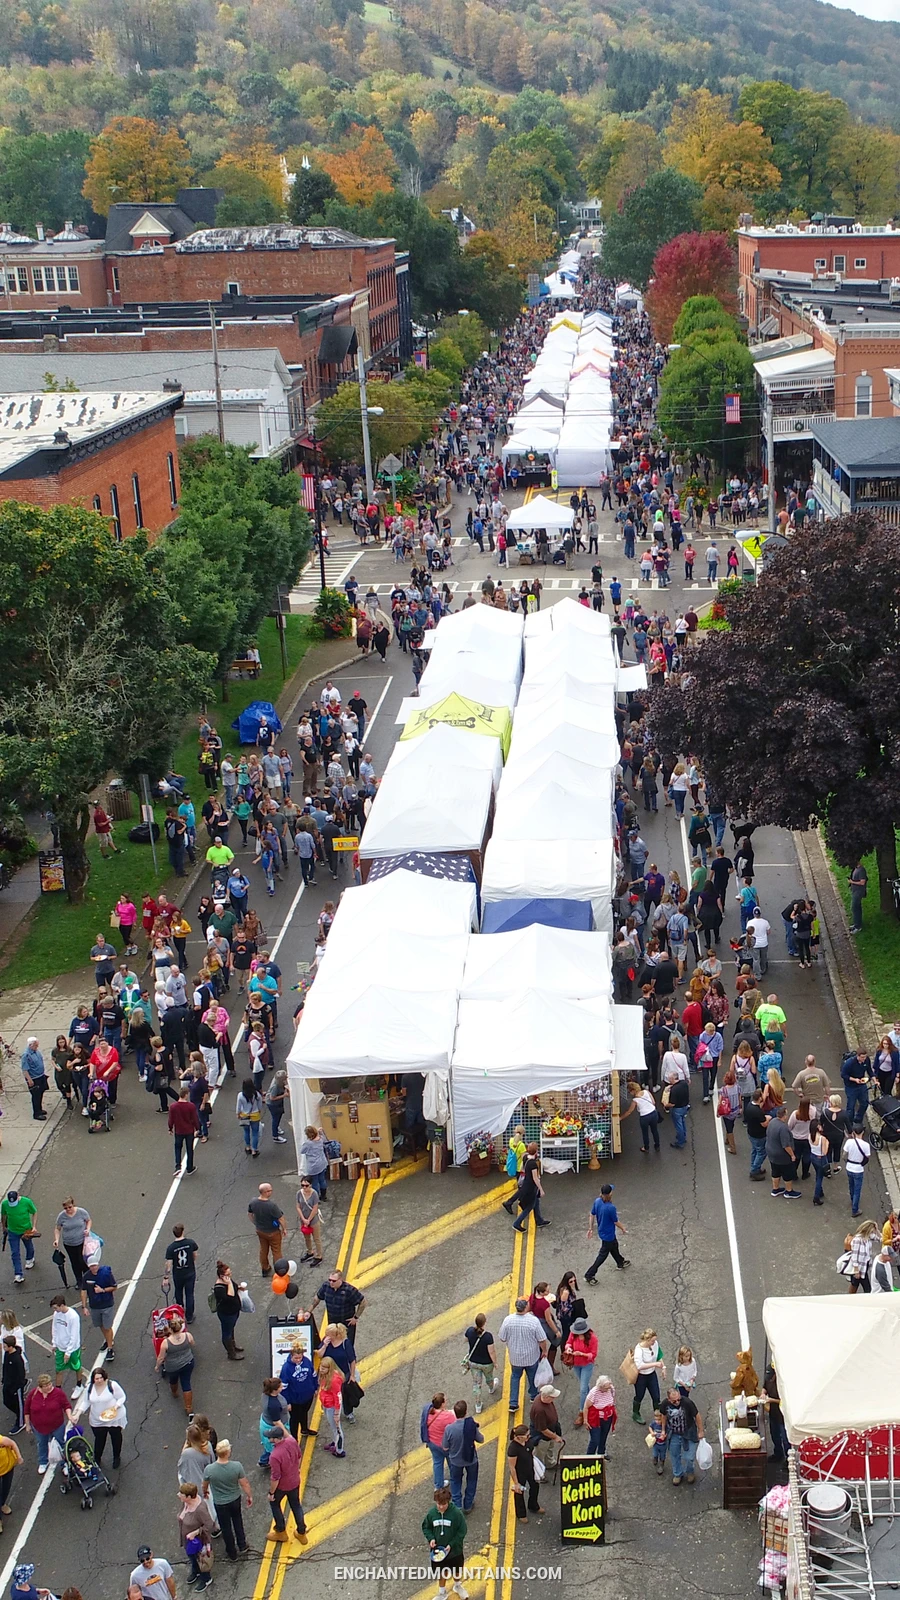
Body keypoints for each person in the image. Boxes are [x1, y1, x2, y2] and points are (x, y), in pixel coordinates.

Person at [203, 1440, 252, 1560]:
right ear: (228, 1452)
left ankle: (231, 1552)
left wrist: (205, 1491)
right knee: (237, 1521)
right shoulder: (236, 1466)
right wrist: (249, 1495)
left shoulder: (209, 1469)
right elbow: (244, 1483)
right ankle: (242, 1545)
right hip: (234, 1499)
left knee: (226, 1527)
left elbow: (204, 1484)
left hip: (220, 1503)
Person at [498, 1298, 547, 1411]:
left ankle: (513, 1403)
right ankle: (534, 1396)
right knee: (532, 1377)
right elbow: (542, 1339)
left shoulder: (508, 1320)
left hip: (515, 1357)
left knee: (515, 1377)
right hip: (531, 1356)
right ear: (526, 1307)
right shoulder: (533, 1321)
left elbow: (502, 1337)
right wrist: (544, 1351)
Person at [422, 1486, 468, 1597]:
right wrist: (431, 1538)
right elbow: (426, 1527)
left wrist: (452, 1544)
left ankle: (457, 1585)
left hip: (455, 1551)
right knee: (441, 1573)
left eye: (444, 1504)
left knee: (457, 1571)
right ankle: (442, 1592)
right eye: (439, 1504)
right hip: (438, 1552)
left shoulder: (456, 1514)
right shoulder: (431, 1514)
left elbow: (462, 1531)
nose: (441, 1507)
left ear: (448, 1502)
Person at [267, 1425, 308, 1544]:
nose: (269, 1439)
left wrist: (271, 1493)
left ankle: (281, 1531)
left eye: (270, 1437)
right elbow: (299, 1457)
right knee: (296, 1505)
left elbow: (275, 1477)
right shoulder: (292, 1441)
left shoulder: (274, 1456)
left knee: (274, 1503)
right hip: (295, 1481)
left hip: (282, 1486)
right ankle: (301, 1532)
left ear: (275, 1439)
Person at [24, 1372, 72, 1472]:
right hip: (39, 1427)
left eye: (50, 1384)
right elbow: (27, 1410)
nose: (49, 1387)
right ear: (40, 1387)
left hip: (57, 1426)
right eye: (45, 1385)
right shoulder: (33, 1394)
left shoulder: (58, 1393)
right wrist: (27, 1424)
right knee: (42, 1444)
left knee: (61, 1444)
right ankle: (43, 1462)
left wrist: (70, 1416)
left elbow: (66, 1405)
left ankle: (65, 1464)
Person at [659, 1385, 705, 1485]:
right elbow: (663, 1415)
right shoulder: (665, 1404)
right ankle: (677, 1473)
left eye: (678, 1399)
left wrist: (700, 1430)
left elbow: (697, 1415)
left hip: (688, 1431)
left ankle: (690, 1472)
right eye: (674, 1401)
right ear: (669, 1399)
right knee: (674, 1454)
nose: (677, 1402)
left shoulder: (687, 1402)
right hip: (674, 1433)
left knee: (689, 1457)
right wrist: (663, 1430)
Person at [443, 1400, 482, 1513]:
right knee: (472, 1480)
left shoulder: (449, 1429)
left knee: (455, 1481)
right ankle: (468, 1504)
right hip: (471, 1459)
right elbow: (481, 1439)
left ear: (454, 1413)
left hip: (455, 1461)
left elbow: (445, 1447)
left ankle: (457, 1505)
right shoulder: (471, 1426)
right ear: (466, 1412)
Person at [585, 1182, 630, 1278]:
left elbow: (592, 1214)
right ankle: (589, 1275)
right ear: (610, 1194)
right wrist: (623, 1228)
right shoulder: (610, 1208)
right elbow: (615, 1221)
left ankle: (620, 1262)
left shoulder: (597, 1201)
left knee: (614, 1246)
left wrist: (590, 1228)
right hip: (608, 1235)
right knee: (602, 1256)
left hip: (603, 1232)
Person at [177, 1482, 216, 1589]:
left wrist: (196, 1532)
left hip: (199, 1542)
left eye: (181, 1494)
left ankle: (206, 1578)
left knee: (202, 1560)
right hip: (189, 1541)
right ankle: (196, 1571)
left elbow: (210, 1524)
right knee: (192, 1557)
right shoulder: (186, 1503)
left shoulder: (200, 1509)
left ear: (189, 1497)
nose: (178, 1495)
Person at [309, 1270, 365, 1344]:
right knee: (332, 1342)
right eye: (330, 1280)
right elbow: (317, 1298)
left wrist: (355, 1317)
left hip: (346, 1323)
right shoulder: (326, 1286)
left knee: (347, 1344)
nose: (331, 1282)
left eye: (334, 1281)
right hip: (332, 1322)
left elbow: (362, 1302)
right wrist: (309, 1311)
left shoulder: (349, 1290)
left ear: (340, 1280)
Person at [155, 1314, 195, 1417]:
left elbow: (161, 1357)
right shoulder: (188, 1335)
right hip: (188, 1362)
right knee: (186, 1383)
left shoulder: (166, 1342)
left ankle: (174, 1392)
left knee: (173, 1380)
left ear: (170, 1329)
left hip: (173, 1366)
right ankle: (188, 1407)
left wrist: (157, 1366)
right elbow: (192, 1344)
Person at [87, 1365, 126, 1468]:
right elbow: (86, 1401)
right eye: (96, 1378)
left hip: (114, 1418)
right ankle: (97, 1458)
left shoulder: (112, 1385)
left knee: (116, 1438)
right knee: (99, 1439)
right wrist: (78, 1413)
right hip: (97, 1419)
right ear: (93, 1379)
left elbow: (122, 1397)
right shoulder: (90, 1387)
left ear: (104, 1377)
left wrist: (115, 1407)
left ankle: (116, 1457)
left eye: (100, 1378)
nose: (99, 1380)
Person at [80, 1254, 117, 1358]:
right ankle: (108, 1339)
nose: (94, 1268)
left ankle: (110, 1348)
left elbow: (114, 1287)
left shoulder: (106, 1273)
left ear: (98, 1265)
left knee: (107, 1326)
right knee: (100, 1325)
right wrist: (84, 1306)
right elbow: (83, 1291)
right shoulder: (87, 1276)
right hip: (94, 1306)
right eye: (91, 1266)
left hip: (106, 1304)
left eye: (95, 1265)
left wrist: (103, 1290)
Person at [248, 1182, 287, 1276]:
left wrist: (255, 1223)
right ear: (266, 1192)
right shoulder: (271, 1205)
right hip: (273, 1232)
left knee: (263, 1249)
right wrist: (284, 1229)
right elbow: (280, 1218)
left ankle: (265, 1268)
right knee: (276, 1251)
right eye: (270, 1190)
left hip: (260, 1231)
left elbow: (250, 1214)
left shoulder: (253, 1202)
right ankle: (279, 1270)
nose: (271, 1192)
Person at [279, 1343, 317, 1439]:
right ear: (291, 1356)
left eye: (300, 1357)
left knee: (304, 1413)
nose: (298, 1360)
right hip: (295, 1400)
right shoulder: (286, 1368)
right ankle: (294, 1439)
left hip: (308, 1396)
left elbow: (313, 1375)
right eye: (296, 1358)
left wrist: (315, 1388)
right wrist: (287, 1403)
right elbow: (283, 1388)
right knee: (295, 1419)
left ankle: (304, 1429)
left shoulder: (307, 1361)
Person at [163, 1225, 198, 1325]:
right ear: (183, 1231)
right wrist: (192, 1262)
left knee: (178, 1292)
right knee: (189, 1294)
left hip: (178, 1274)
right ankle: (190, 1316)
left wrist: (166, 1277)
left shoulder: (171, 1248)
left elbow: (168, 1264)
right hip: (190, 1272)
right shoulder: (190, 1243)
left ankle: (180, 1314)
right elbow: (194, 1255)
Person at [507, 1423, 542, 1522]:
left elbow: (531, 1453)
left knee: (535, 1486)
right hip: (520, 1473)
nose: (529, 1437)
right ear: (519, 1437)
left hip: (530, 1469)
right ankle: (521, 1514)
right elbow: (512, 1467)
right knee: (519, 1492)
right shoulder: (513, 1449)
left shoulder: (527, 1442)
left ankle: (533, 1505)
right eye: (527, 1436)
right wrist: (516, 1483)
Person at [765, 1104, 801, 1201]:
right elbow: (786, 1145)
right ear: (784, 1116)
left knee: (775, 1171)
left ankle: (775, 1189)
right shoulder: (783, 1128)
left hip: (771, 1152)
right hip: (782, 1156)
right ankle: (789, 1191)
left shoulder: (772, 1122)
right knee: (787, 1173)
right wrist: (792, 1155)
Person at [50, 1294, 83, 1398]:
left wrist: (68, 1352)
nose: (55, 1310)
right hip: (60, 1347)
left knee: (76, 1366)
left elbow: (74, 1335)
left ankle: (79, 1385)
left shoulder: (73, 1316)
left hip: (72, 1349)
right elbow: (54, 1328)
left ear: (62, 1305)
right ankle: (58, 1390)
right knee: (59, 1369)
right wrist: (54, 1343)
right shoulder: (56, 1314)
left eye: (56, 1308)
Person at [1, 1190, 37, 1285]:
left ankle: (30, 1258)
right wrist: (4, 1227)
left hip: (26, 1229)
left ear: (18, 1197)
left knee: (29, 1246)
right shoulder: (5, 1204)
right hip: (12, 1231)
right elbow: (3, 1216)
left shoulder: (26, 1202)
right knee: (15, 1253)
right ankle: (18, 1274)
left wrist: (34, 1226)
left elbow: (34, 1212)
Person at [564, 1316, 599, 1412]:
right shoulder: (573, 1333)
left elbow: (593, 1355)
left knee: (583, 1389)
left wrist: (581, 1354)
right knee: (584, 1384)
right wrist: (568, 1348)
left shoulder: (593, 1339)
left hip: (587, 1365)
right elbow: (568, 1343)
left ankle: (582, 1410)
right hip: (576, 1364)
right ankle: (590, 1398)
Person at [211, 1261, 244, 1360]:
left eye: (230, 1273)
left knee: (231, 1329)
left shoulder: (228, 1280)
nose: (230, 1276)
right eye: (227, 1274)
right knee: (227, 1332)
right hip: (226, 1313)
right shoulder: (219, 1288)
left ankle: (233, 1346)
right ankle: (231, 1353)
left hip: (234, 1311)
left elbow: (234, 1286)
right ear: (221, 1276)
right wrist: (229, 1283)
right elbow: (230, 1296)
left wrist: (238, 1287)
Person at [54, 1198, 91, 1282]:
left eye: (70, 1207)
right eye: (65, 1208)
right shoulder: (61, 1216)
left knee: (82, 1261)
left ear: (73, 1205)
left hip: (82, 1241)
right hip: (69, 1243)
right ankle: (79, 1280)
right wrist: (56, 1239)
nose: (68, 1210)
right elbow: (57, 1228)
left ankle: (88, 1278)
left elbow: (88, 1220)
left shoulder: (81, 1212)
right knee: (74, 1262)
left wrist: (88, 1229)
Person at [529, 1382, 563, 1468]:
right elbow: (543, 1429)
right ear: (546, 1397)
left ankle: (550, 1463)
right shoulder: (539, 1410)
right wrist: (555, 1437)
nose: (554, 1398)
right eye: (552, 1397)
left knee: (549, 1449)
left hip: (550, 1432)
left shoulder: (542, 1399)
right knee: (539, 1455)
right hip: (542, 1437)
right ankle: (539, 1474)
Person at [620, 1079, 660, 1151]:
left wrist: (621, 1118)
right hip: (653, 1113)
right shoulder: (646, 1092)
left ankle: (646, 1147)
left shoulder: (635, 1100)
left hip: (644, 1117)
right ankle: (657, 1145)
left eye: (629, 1092)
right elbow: (653, 1102)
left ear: (633, 1090)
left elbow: (629, 1112)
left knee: (645, 1133)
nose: (630, 1093)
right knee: (655, 1130)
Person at [318, 1355, 345, 1456]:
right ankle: (335, 1442)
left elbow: (338, 1398)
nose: (321, 1369)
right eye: (321, 1367)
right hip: (327, 1405)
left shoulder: (334, 1381)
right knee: (333, 1427)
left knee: (337, 1429)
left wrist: (337, 1414)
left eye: (324, 1368)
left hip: (332, 1408)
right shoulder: (325, 1376)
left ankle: (339, 1450)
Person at [844, 1123, 872, 1218]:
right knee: (857, 1189)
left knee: (851, 1185)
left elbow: (844, 1155)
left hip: (849, 1167)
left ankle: (853, 1201)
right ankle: (855, 1209)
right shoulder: (866, 1145)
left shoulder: (849, 1142)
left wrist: (847, 1161)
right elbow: (867, 1157)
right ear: (862, 1132)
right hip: (858, 1169)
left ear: (853, 1133)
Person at [2, 1336, 27, 1433]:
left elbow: (21, 1375)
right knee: (7, 1402)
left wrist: (16, 1388)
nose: (3, 1348)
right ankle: (21, 1411)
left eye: (5, 1346)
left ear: (10, 1346)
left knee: (19, 1404)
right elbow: (5, 1367)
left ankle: (21, 1422)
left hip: (16, 1387)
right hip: (7, 1384)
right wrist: (4, 1379)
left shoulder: (17, 1359)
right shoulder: (7, 1354)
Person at [846, 1220, 878, 1294]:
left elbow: (880, 1239)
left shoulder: (868, 1237)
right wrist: (856, 1270)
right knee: (866, 1288)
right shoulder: (857, 1240)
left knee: (855, 1284)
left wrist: (877, 1230)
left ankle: (849, 1298)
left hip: (864, 1266)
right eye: (872, 1231)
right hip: (859, 1268)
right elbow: (854, 1256)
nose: (873, 1233)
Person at [20, 1039, 48, 1121]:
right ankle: (37, 1113)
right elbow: (25, 1069)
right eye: (35, 1045)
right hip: (34, 1078)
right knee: (36, 1096)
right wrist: (29, 1080)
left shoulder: (37, 1052)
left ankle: (40, 1109)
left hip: (41, 1076)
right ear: (30, 1045)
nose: (37, 1047)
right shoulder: (26, 1055)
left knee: (41, 1093)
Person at [849, 860, 868, 933]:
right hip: (855, 891)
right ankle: (857, 923)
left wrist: (852, 882)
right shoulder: (856, 869)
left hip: (858, 892)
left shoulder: (861, 870)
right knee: (857, 908)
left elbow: (862, 882)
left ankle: (857, 926)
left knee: (854, 907)